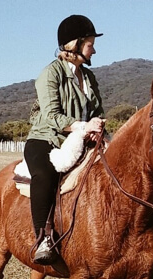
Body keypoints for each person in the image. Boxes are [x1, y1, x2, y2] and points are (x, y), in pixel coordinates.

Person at [24, 15, 106, 265]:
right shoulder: (50, 74)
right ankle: (43, 238)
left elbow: (98, 111)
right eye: (90, 44)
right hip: (46, 140)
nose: (94, 49)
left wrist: (98, 126)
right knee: (45, 175)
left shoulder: (89, 77)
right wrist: (84, 126)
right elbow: (51, 115)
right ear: (75, 44)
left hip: (83, 140)